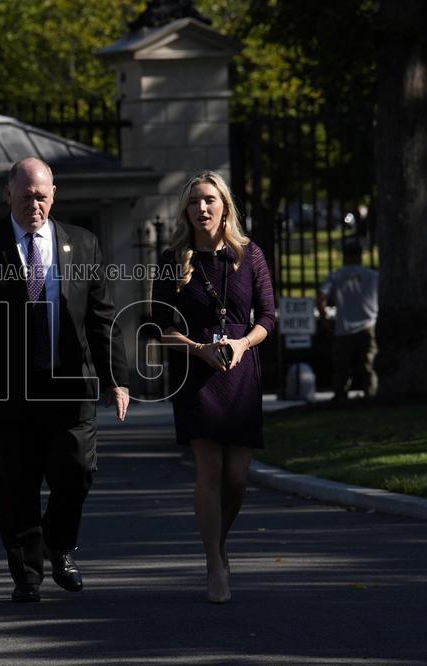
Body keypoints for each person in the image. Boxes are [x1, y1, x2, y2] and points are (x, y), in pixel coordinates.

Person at [0, 157, 129, 603]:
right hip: (6, 393)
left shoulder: (82, 244)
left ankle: (60, 547)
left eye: (42, 197)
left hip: (70, 385)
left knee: (77, 472)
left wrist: (116, 378)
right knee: (16, 484)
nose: (34, 206)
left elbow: (102, 318)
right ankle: (27, 575)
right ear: (8, 195)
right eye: (26, 197)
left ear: (54, 194)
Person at [151, 171, 275, 604]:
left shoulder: (250, 255)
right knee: (211, 469)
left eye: (209, 200)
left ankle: (219, 544)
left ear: (224, 205)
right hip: (196, 373)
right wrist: (200, 349)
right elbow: (159, 327)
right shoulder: (172, 260)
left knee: (238, 477)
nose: (201, 208)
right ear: (186, 211)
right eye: (193, 202)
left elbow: (268, 318)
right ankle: (213, 564)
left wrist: (241, 343)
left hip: (241, 372)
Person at [316, 239, 379, 399]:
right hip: (368, 324)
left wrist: (325, 319)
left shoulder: (336, 276)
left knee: (342, 367)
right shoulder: (372, 276)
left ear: (345, 256)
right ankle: (371, 395)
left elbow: (322, 298)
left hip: (344, 327)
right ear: (360, 256)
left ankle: (340, 395)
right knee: (368, 365)